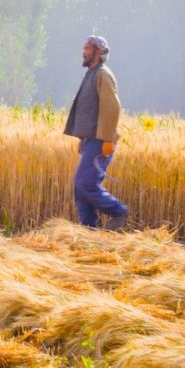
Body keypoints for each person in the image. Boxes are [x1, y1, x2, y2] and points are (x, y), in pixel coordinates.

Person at [63, 34, 128, 230]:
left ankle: (118, 211)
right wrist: (83, 138)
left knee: (84, 183)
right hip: (92, 139)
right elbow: (91, 110)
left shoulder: (102, 74)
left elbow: (111, 108)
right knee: (80, 186)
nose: (83, 51)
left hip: (101, 140)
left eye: (87, 48)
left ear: (98, 53)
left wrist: (106, 140)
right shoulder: (92, 73)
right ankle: (88, 230)